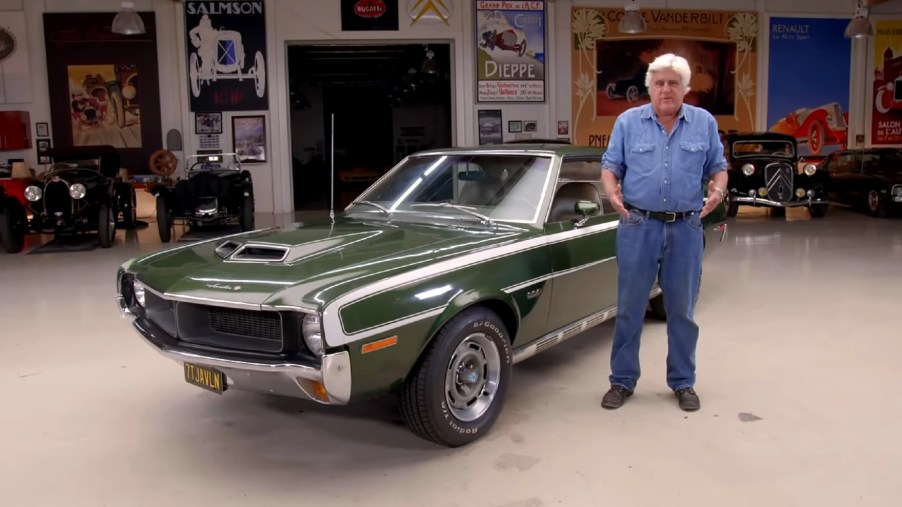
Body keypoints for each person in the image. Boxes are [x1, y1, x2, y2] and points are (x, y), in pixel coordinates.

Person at [599, 53, 728, 411]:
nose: (666, 89)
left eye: (673, 83)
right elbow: (610, 167)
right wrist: (611, 192)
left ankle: (683, 382)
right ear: (649, 88)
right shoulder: (628, 123)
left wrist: (717, 190)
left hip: (685, 227)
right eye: (659, 83)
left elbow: (719, 168)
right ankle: (622, 381)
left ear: (686, 88)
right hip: (638, 226)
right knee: (629, 308)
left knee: (682, 311)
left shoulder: (703, 123)